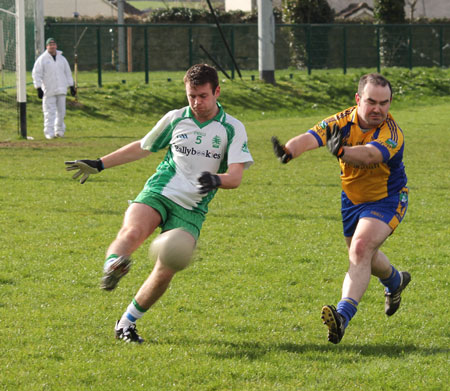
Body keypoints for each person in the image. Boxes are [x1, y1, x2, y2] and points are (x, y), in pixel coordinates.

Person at [65, 64, 253, 343]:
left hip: (191, 209)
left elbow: (235, 177)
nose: (196, 103)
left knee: (167, 268)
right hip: (160, 191)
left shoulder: (231, 128)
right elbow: (143, 146)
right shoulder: (176, 119)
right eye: (191, 96)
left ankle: (126, 323)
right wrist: (100, 163)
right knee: (132, 232)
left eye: (202, 96)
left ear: (217, 92)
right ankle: (112, 267)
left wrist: (215, 179)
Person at [272, 73, 410, 344]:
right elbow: (312, 137)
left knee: (359, 249)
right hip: (351, 200)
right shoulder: (341, 121)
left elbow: (370, 155)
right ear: (358, 99)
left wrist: (342, 152)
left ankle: (342, 316)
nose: (378, 109)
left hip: (387, 199)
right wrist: (289, 150)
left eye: (384, 103)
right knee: (363, 255)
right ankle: (394, 281)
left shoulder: (392, 134)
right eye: (371, 102)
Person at [32, 37, 76, 139]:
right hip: (48, 90)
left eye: (54, 44)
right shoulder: (42, 59)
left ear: (56, 46)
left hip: (61, 89)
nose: (52, 46)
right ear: (47, 46)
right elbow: (36, 74)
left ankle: (59, 131)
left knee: (61, 112)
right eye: (50, 45)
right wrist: (38, 87)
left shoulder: (62, 59)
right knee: (49, 112)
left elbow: (67, 73)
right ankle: (49, 132)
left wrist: (71, 86)